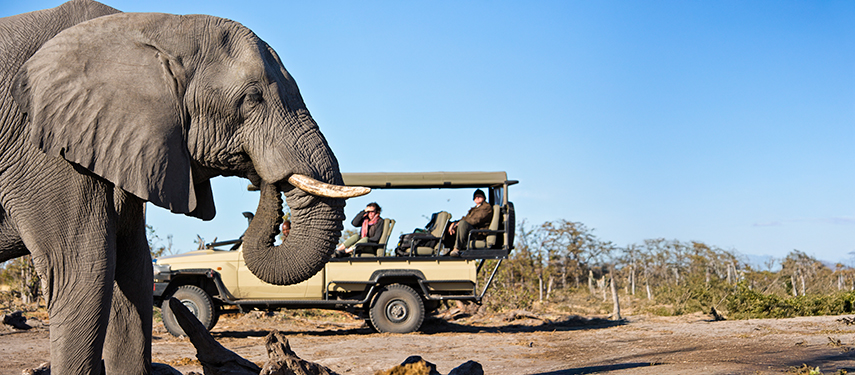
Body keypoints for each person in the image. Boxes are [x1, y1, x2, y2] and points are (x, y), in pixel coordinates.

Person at [444, 189, 493, 257]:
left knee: (463, 224)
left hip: (478, 233)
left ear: (484, 198)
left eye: (480, 196)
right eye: (475, 197)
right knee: (449, 224)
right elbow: (466, 218)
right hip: (471, 231)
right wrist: (454, 223)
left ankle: (457, 248)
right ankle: (449, 247)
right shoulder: (474, 209)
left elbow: (475, 220)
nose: (477, 198)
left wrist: (458, 223)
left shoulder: (486, 207)